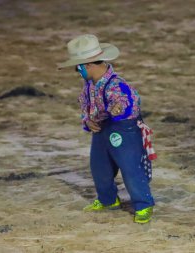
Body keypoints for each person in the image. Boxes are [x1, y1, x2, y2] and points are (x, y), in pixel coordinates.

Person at [58, 34, 156, 224]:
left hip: (123, 130)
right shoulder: (89, 86)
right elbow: (85, 106)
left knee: (130, 168)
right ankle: (107, 199)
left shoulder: (117, 85)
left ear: (88, 65)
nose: (77, 72)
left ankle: (144, 204)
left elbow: (125, 103)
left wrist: (112, 112)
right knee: (99, 167)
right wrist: (87, 121)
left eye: (77, 68)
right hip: (102, 129)